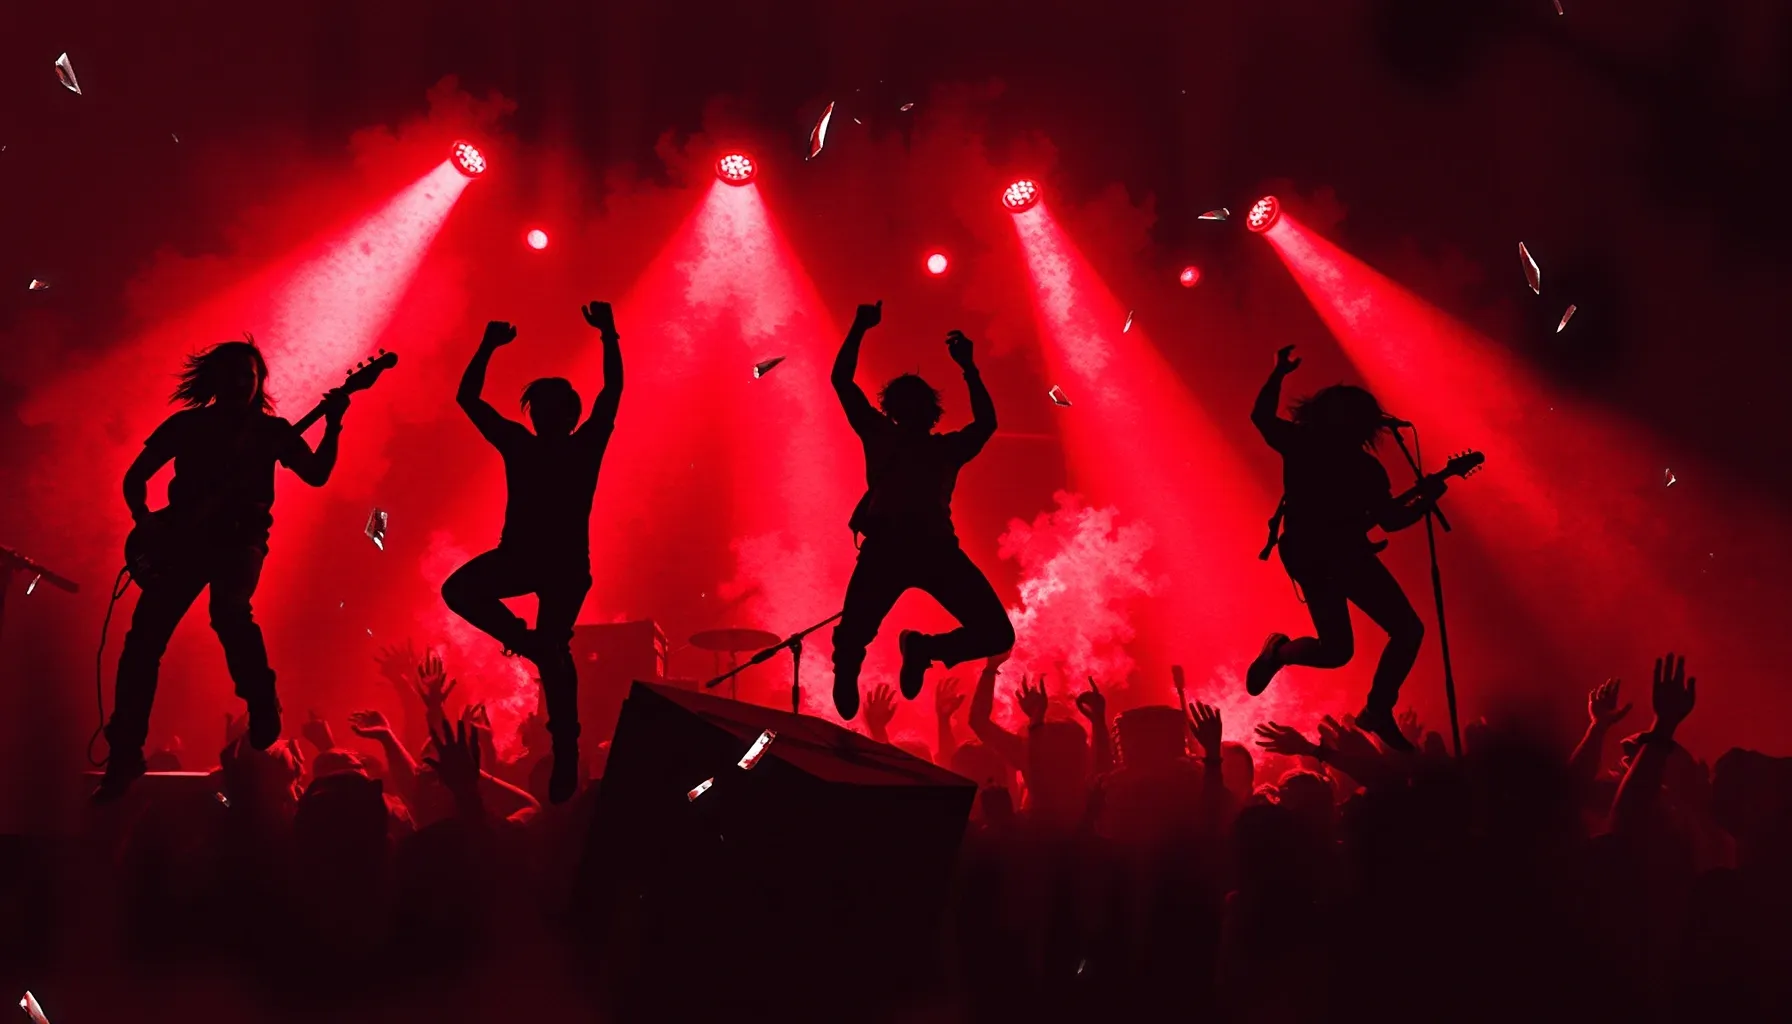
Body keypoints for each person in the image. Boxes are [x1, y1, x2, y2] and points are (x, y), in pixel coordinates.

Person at [96, 338, 350, 800]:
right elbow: (136, 477)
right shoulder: (186, 425)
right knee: (143, 643)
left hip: (240, 540)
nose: (238, 384)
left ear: (258, 382)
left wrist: (333, 425)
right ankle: (125, 752)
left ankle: (261, 699)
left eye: (246, 376)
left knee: (230, 611)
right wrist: (145, 519)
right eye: (230, 375)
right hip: (182, 544)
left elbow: (316, 474)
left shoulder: (272, 432)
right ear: (213, 380)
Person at [441, 304, 621, 804]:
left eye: (551, 408)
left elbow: (611, 394)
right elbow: (468, 399)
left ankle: (565, 744)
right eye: (539, 407)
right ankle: (532, 649)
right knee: (468, 596)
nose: (544, 415)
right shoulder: (532, 443)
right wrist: (486, 346)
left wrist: (609, 336)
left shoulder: (572, 445)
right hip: (531, 559)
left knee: (552, 649)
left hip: (560, 566)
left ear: (568, 414)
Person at [1244, 344, 1443, 752]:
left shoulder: (1367, 469)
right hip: (1315, 554)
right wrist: (1278, 374)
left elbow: (1389, 519)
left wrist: (1424, 502)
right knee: (1348, 648)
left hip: (1343, 555)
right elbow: (1261, 418)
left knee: (1389, 636)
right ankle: (1282, 654)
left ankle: (1375, 707)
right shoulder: (1303, 443)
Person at [829, 301, 1015, 720]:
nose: (912, 410)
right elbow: (985, 424)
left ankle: (920, 649)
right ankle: (856, 664)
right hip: (896, 550)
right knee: (855, 633)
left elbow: (842, 381)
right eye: (907, 403)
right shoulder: (894, 438)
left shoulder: (921, 444)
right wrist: (968, 368)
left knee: (997, 634)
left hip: (929, 551)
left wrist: (860, 327)